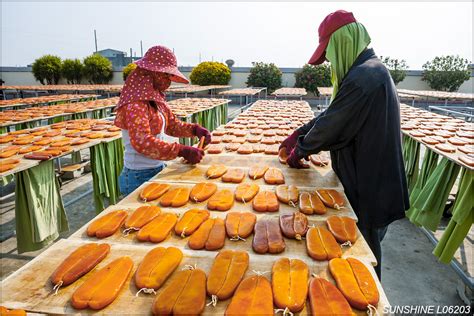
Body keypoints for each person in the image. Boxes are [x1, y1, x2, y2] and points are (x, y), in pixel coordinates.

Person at [281, 10, 409, 279]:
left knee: (362, 257)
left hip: (369, 186)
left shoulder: (365, 77)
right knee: (357, 249)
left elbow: (333, 125)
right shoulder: (368, 71)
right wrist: (299, 133)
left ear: (342, 42)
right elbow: (334, 114)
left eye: (329, 54)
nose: (329, 61)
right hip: (368, 178)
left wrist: (301, 149)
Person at [114, 45, 211, 195]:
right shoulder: (135, 104)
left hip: (157, 167)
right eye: (165, 74)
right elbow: (142, 141)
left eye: (169, 75)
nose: (168, 80)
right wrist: (181, 150)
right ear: (150, 72)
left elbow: (172, 125)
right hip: (138, 175)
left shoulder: (155, 100)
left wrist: (194, 129)